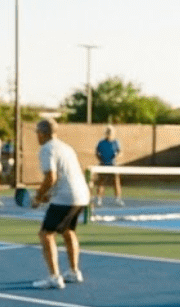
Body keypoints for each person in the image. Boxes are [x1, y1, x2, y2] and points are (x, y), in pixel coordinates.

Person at [31, 118, 90, 289]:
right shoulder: (66, 147)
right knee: (67, 230)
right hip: (81, 195)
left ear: (42, 134)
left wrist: (38, 196)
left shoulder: (46, 149)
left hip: (67, 196)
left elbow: (51, 177)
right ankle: (73, 272)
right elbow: (64, 176)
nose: (37, 136)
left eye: (38, 133)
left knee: (46, 234)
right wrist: (48, 195)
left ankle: (54, 277)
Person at [94, 126, 124, 206]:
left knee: (116, 182)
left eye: (111, 133)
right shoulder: (101, 142)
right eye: (108, 133)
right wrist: (100, 159)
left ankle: (118, 199)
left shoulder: (116, 142)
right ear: (106, 134)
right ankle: (99, 200)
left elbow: (120, 152)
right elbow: (97, 152)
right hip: (103, 165)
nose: (109, 135)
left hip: (113, 165)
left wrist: (117, 156)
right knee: (101, 182)